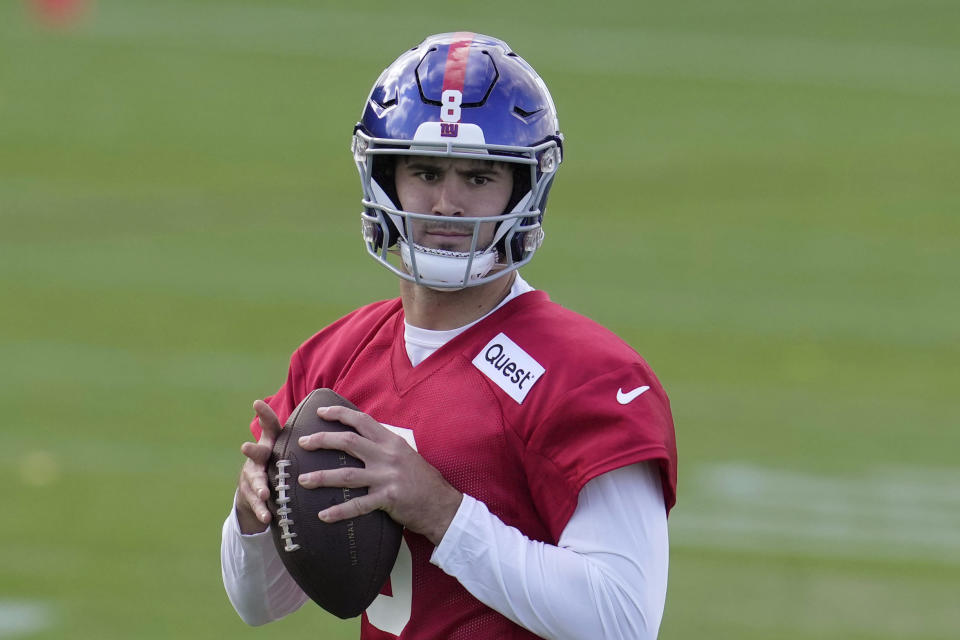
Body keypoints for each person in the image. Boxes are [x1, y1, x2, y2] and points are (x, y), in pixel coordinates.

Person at [221, 32, 678, 640]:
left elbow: (623, 621)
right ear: (386, 178)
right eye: (426, 171)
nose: (447, 204)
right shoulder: (334, 357)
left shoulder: (588, 375)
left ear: (524, 188)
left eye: (479, 178)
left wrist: (439, 509)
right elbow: (260, 604)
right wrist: (252, 518)